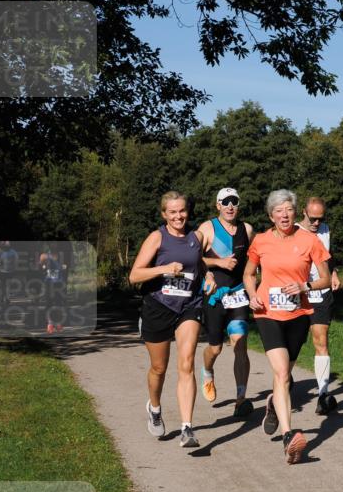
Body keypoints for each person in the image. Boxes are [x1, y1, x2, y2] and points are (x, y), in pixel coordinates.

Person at [242, 189, 331, 464]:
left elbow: (326, 279)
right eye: (278, 210)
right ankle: (288, 435)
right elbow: (248, 273)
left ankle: (272, 403)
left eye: (289, 210)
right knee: (281, 374)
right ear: (271, 215)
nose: (284, 214)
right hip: (268, 313)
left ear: (296, 213)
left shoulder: (310, 241)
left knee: (286, 375)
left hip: (298, 314)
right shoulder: (261, 241)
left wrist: (305, 285)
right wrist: (251, 294)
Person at [129, 191, 216, 447]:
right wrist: (164, 268)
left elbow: (197, 263)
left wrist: (208, 276)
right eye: (173, 212)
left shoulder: (196, 237)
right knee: (159, 368)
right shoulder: (157, 237)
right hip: (158, 306)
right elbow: (134, 275)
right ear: (164, 214)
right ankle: (154, 408)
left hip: (189, 305)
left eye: (182, 211)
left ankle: (187, 428)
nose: (179, 216)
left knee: (186, 363)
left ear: (187, 211)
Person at [197, 187, 255, 418]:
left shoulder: (247, 229)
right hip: (214, 296)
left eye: (234, 201)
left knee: (240, 344)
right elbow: (192, 257)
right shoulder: (207, 228)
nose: (230, 206)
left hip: (238, 294)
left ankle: (241, 399)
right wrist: (216, 267)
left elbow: (256, 257)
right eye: (225, 202)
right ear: (217, 205)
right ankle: (207, 371)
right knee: (216, 348)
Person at [297, 197, 341, 414]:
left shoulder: (324, 230)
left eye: (320, 219)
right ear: (303, 212)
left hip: (321, 293)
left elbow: (327, 256)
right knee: (291, 346)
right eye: (312, 218)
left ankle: (322, 395)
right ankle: (282, 389)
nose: (316, 223)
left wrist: (333, 272)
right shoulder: (292, 232)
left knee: (321, 341)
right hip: (297, 295)